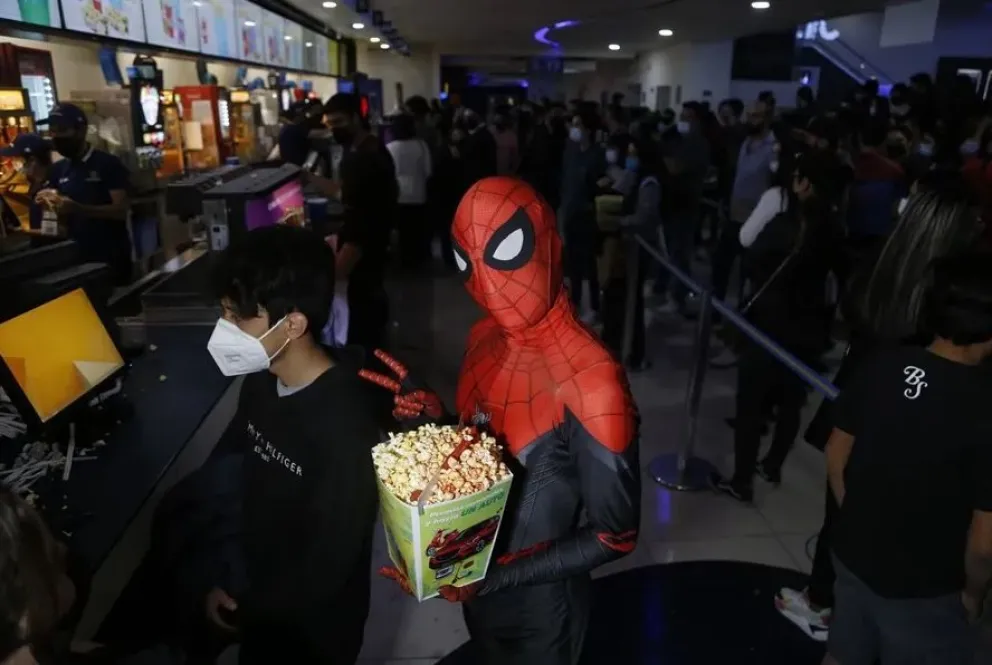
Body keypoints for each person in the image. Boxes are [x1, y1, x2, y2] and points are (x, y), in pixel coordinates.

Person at [364, 177, 641, 665]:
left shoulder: (593, 381)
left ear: (548, 241)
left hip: (542, 611)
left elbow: (613, 535)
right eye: (467, 261)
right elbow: (486, 459)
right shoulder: (482, 338)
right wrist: (438, 419)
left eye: (506, 250)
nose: (489, 286)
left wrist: (492, 577)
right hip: (480, 593)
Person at [778, 180, 985, 641]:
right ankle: (834, 602)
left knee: (843, 506)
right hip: (912, 415)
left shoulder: (887, 264)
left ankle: (825, 601)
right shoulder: (946, 291)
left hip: (864, 404)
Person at [203, 225, 381, 665]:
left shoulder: (346, 425)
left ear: (293, 323)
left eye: (238, 317)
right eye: (224, 312)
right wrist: (230, 577)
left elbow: (329, 563)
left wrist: (250, 610)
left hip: (312, 631)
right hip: (257, 595)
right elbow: (237, 479)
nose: (225, 329)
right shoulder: (262, 384)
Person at [823, 251, 992, 665]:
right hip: (927, 589)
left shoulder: (884, 361)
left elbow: (835, 451)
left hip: (851, 556)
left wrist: (862, 519)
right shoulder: (985, 407)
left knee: (844, 654)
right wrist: (973, 593)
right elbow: (984, 543)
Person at [712, 151, 838, 502]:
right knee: (791, 403)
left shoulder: (785, 224)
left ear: (805, 183)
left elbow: (752, 259)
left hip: (768, 324)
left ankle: (741, 480)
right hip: (809, 327)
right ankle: (773, 464)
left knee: (751, 403)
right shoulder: (833, 227)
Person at [316, 92, 397, 349]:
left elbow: (360, 225)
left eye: (339, 122)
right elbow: (347, 192)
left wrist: (336, 273)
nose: (334, 130)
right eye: (329, 125)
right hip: (375, 260)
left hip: (362, 268)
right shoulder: (371, 147)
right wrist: (307, 178)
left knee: (363, 341)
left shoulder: (361, 160)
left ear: (355, 118)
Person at [35, 103, 131, 285]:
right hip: (77, 261)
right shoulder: (58, 170)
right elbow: (60, 225)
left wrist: (79, 209)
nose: (56, 137)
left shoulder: (107, 164)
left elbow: (120, 211)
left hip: (110, 260)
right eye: (52, 131)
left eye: (62, 130)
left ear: (81, 131)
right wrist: (47, 207)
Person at [600, 139, 660, 371]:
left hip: (637, 249)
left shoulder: (650, 183)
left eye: (634, 154)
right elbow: (619, 188)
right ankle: (612, 344)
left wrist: (618, 221)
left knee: (631, 302)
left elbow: (644, 218)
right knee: (615, 297)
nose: (630, 158)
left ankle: (631, 352)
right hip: (623, 247)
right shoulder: (633, 176)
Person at [657, 101, 710, 314]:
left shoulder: (698, 145)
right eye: (682, 116)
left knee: (680, 251)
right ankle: (672, 289)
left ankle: (678, 296)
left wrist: (662, 157)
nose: (683, 121)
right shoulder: (677, 141)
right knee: (671, 249)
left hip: (686, 204)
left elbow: (675, 168)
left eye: (688, 117)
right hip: (671, 203)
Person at [559, 107, 607, 320]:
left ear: (588, 129)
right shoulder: (571, 151)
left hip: (587, 214)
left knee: (589, 262)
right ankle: (575, 301)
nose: (573, 129)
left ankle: (593, 306)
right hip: (570, 211)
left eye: (577, 124)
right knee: (572, 262)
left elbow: (600, 184)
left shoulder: (597, 155)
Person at [386, 112, 433, 270]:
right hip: (418, 194)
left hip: (398, 195)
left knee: (402, 232)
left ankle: (403, 262)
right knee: (417, 231)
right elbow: (428, 171)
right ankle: (418, 261)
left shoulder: (390, 148)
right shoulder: (421, 145)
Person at [0, 133, 53, 232]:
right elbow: (35, 204)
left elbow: (52, 230)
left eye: (16, 159)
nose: (13, 162)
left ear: (32, 161)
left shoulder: (51, 188)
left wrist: (23, 232)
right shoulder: (38, 182)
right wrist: (9, 194)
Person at [490, 105, 519, 176]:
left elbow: (514, 158)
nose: (500, 119)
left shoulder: (512, 136)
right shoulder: (488, 133)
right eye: (498, 116)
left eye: (503, 117)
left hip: (505, 176)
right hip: (490, 175)